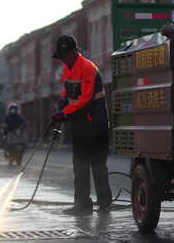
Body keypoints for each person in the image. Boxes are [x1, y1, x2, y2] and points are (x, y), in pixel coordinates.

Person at [50, 35, 112, 216]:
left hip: (95, 124)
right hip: (80, 125)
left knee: (98, 165)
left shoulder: (88, 68)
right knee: (80, 165)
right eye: (60, 56)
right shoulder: (67, 68)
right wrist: (60, 107)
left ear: (73, 52)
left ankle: (104, 202)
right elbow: (66, 92)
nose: (62, 59)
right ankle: (83, 204)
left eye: (64, 55)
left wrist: (64, 113)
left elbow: (85, 99)